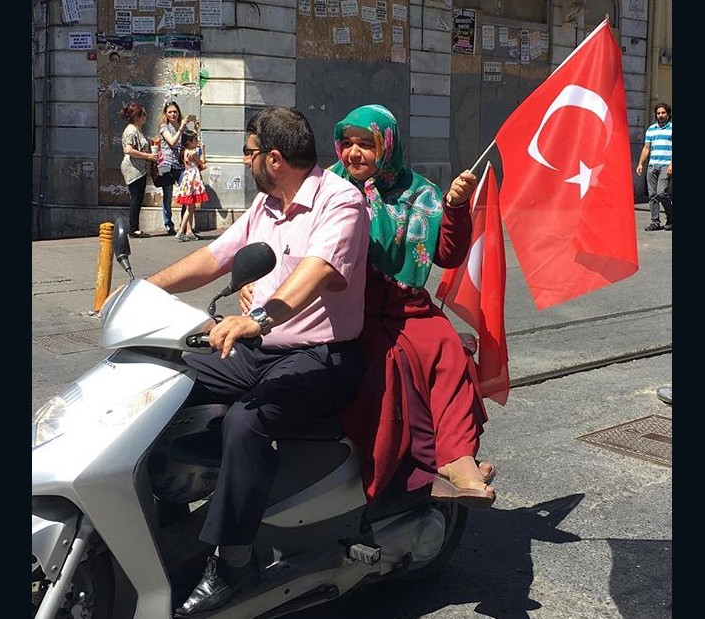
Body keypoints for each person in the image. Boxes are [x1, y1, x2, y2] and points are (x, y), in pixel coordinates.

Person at [144, 106, 370, 618]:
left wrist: (260, 319)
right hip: (259, 350)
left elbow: (315, 272)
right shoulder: (265, 207)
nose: (246, 162)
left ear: (272, 157)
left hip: (321, 355)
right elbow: (214, 258)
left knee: (246, 422)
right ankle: (169, 506)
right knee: (163, 378)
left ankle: (233, 561)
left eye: (249, 153)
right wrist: (143, 290)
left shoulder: (341, 202)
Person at [243, 104, 496, 508]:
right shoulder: (328, 186)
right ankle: (408, 470)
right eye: (348, 143)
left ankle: (456, 457)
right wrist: (256, 281)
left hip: (402, 302)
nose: (354, 153)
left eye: (367, 144)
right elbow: (279, 230)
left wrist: (454, 206)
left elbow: (447, 255)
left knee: (447, 347)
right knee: (383, 365)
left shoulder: (420, 192)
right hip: (344, 302)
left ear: (388, 147)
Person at [119, 101, 158, 238]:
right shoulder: (131, 130)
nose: (146, 117)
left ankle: (134, 227)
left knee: (138, 198)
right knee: (136, 198)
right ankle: (133, 228)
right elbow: (128, 149)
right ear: (137, 116)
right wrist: (148, 155)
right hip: (134, 169)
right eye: (144, 114)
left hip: (139, 169)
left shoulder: (136, 130)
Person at [636, 102, 673, 231]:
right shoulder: (651, 129)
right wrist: (641, 163)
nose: (660, 115)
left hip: (666, 165)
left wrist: (671, 164)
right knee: (652, 195)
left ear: (668, 114)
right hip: (652, 166)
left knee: (661, 193)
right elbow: (646, 148)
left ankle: (671, 216)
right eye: (658, 113)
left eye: (663, 113)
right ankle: (655, 221)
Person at [154, 100, 187, 236]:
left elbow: (190, 141)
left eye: (175, 111)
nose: (173, 114)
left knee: (186, 193)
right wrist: (180, 129)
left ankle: (185, 225)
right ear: (166, 114)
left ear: (178, 112)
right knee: (167, 196)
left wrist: (194, 128)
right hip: (167, 165)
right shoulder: (164, 127)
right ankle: (169, 225)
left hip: (180, 165)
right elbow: (172, 142)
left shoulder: (182, 127)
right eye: (170, 112)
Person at [174, 128, 208, 241]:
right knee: (190, 208)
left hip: (187, 179)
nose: (197, 141)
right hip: (193, 180)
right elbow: (202, 164)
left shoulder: (185, 152)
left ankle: (188, 231)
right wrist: (203, 150)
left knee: (190, 206)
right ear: (189, 141)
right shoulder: (193, 153)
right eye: (195, 140)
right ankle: (181, 230)